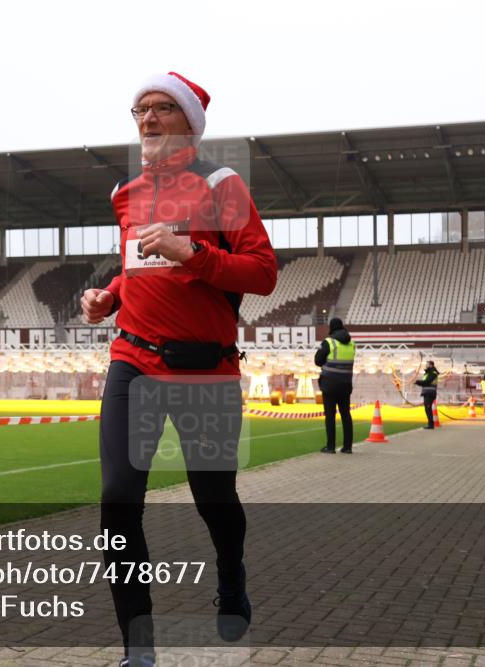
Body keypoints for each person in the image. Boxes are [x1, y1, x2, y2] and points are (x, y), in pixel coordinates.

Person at [80, 71, 277, 667]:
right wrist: (107, 297)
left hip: (203, 369)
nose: (147, 118)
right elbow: (137, 266)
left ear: (189, 121)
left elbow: (263, 273)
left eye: (162, 108)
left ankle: (230, 570)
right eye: (139, 109)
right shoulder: (125, 193)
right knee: (117, 500)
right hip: (132, 359)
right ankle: (138, 650)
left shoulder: (223, 184)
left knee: (214, 496)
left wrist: (193, 251)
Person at [314, 318, 355, 454]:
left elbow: (318, 361)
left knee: (330, 416)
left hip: (329, 385)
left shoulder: (329, 342)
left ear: (331, 328)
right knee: (346, 415)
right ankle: (347, 447)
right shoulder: (351, 344)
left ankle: (331, 447)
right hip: (345, 385)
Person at [415, 360, 440, 429]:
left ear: (431, 365)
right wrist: (419, 382)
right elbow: (425, 383)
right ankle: (430, 424)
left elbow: (427, 382)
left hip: (430, 393)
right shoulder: (428, 373)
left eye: (427, 364)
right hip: (427, 392)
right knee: (427, 409)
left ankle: (431, 424)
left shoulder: (432, 373)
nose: (426, 365)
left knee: (428, 408)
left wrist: (418, 382)